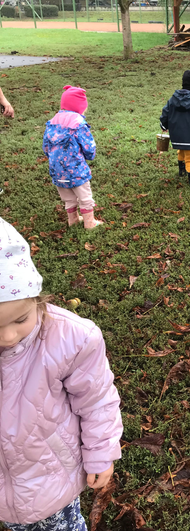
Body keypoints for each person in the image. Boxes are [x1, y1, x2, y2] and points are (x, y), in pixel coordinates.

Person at [0, 217, 122, 530]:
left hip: (51, 481)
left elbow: (96, 401)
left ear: (37, 298)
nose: (9, 337)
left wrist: (100, 452)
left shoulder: (70, 339)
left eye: (21, 319)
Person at [43, 85, 102, 229]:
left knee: (68, 198)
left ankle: (73, 220)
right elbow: (88, 146)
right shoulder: (78, 124)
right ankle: (89, 223)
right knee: (84, 196)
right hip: (76, 170)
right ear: (80, 107)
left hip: (57, 170)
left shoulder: (52, 122)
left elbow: (46, 147)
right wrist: (90, 155)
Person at [160, 70, 190, 185]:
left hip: (176, 135)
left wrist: (164, 125)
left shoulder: (173, 98)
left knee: (181, 151)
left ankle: (182, 170)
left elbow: (165, 112)